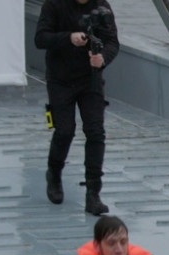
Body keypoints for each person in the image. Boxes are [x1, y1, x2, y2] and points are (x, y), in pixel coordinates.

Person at [36, 0, 119, 216]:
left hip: (90, 79)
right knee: (64, 130)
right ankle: (54, 172)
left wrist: (102, 59)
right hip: (60, 78)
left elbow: (112, 42)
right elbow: (40, 38)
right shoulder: (53, 4)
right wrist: (68, 38)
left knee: (95, 131)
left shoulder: (101, 5)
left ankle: (93, 193)